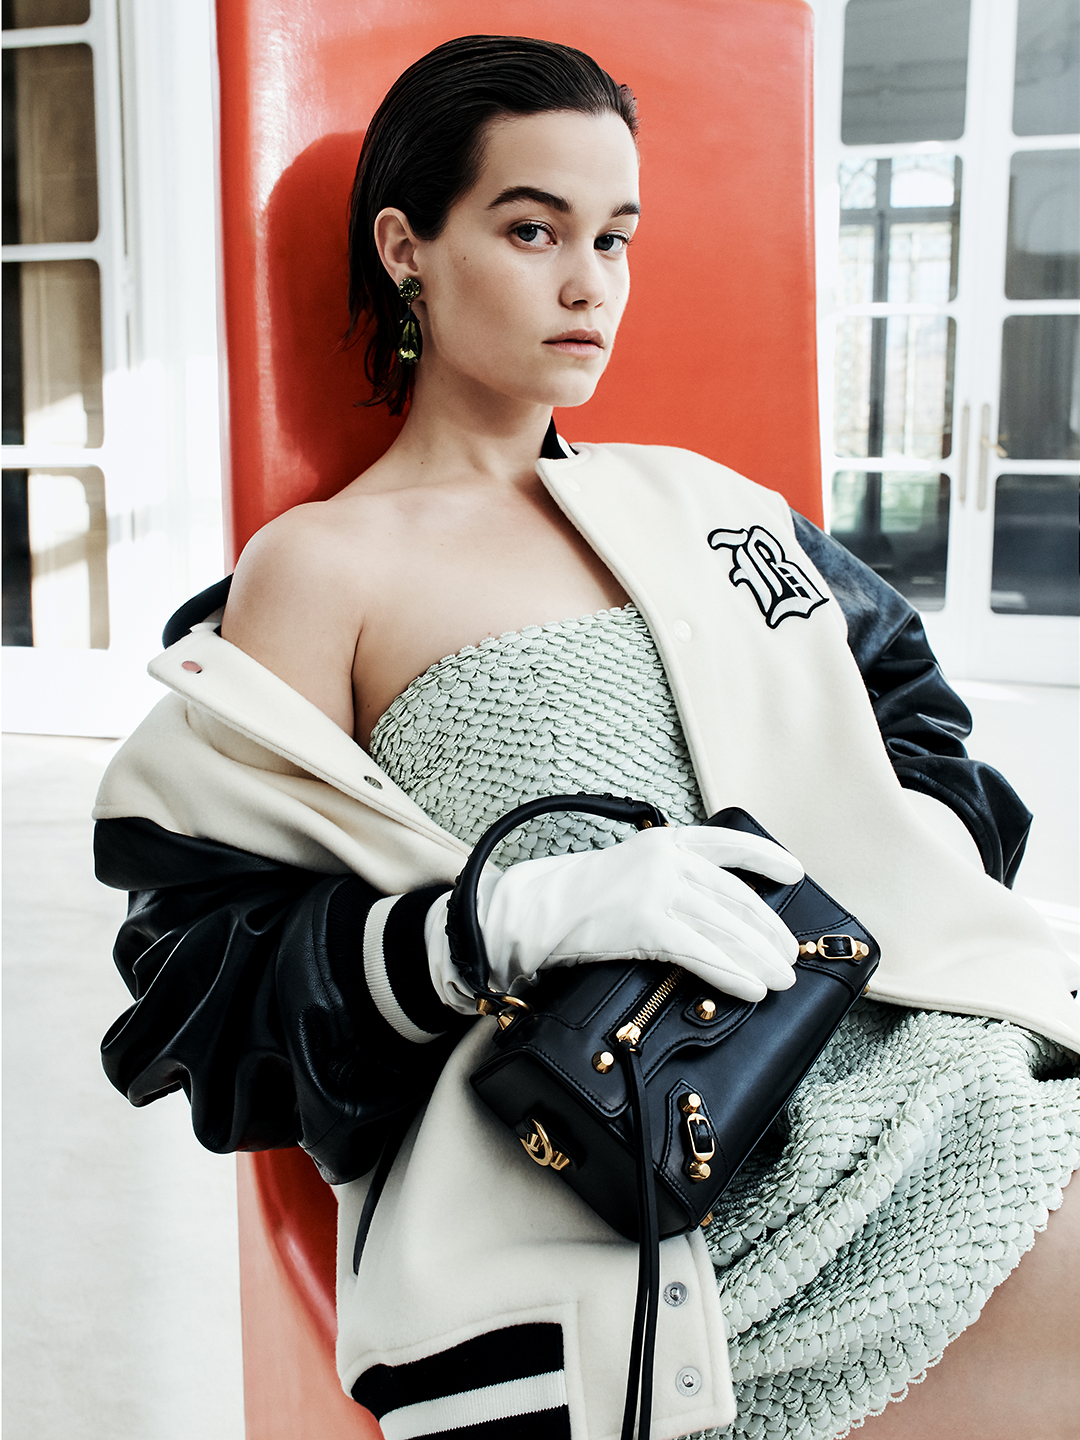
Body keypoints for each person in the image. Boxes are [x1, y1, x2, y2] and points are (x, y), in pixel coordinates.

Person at [94, 35, 1080, 1440]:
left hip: (925, 1066)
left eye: (614, 237)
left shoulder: (705, 506)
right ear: (406, 247)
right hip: (669, 1194)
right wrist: (513, 919)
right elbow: (199, 983)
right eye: (531, 229)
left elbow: (917, 725)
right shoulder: (322, 569)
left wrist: (866, 865)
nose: (588, 284)